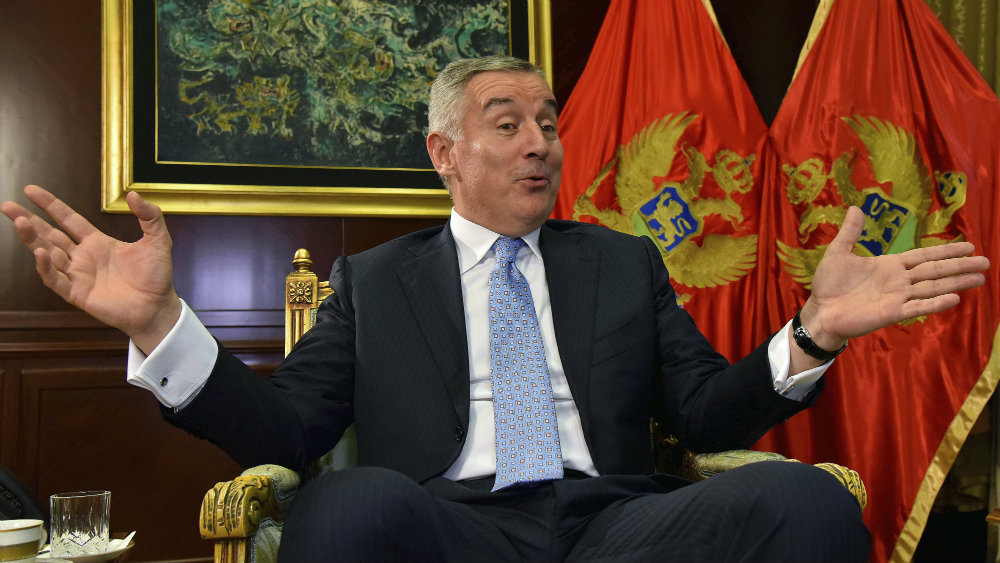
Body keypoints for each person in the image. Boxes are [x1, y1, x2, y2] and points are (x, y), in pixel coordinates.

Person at [2, 55, 990, 562]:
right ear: (445, 153)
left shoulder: (622, 262)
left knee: (807, 500)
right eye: (507, 123)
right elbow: (290, 428)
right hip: (448, 524)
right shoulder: (374, 281)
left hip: (613, 526)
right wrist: (158, 324)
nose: (539, 143)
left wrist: (813, 333)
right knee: (345, 500)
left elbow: (703, 412)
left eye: (548, 124)